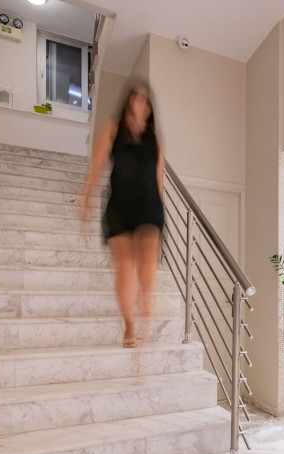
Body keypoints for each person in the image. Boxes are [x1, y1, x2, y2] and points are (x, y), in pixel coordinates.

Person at [81, 80, 165, 348]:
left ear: (149, 108)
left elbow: (159, 180)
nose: (140, 102)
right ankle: (129, 324)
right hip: (120, 207)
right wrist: (86, 200)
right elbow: (96, 167)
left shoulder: (155, 141)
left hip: (149, 206)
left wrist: (163, 213)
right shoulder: (113, 129)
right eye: (136, 97)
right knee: (125, 268)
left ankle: (146, 303)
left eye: (145, 99)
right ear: (128, 101)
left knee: (148, 264)